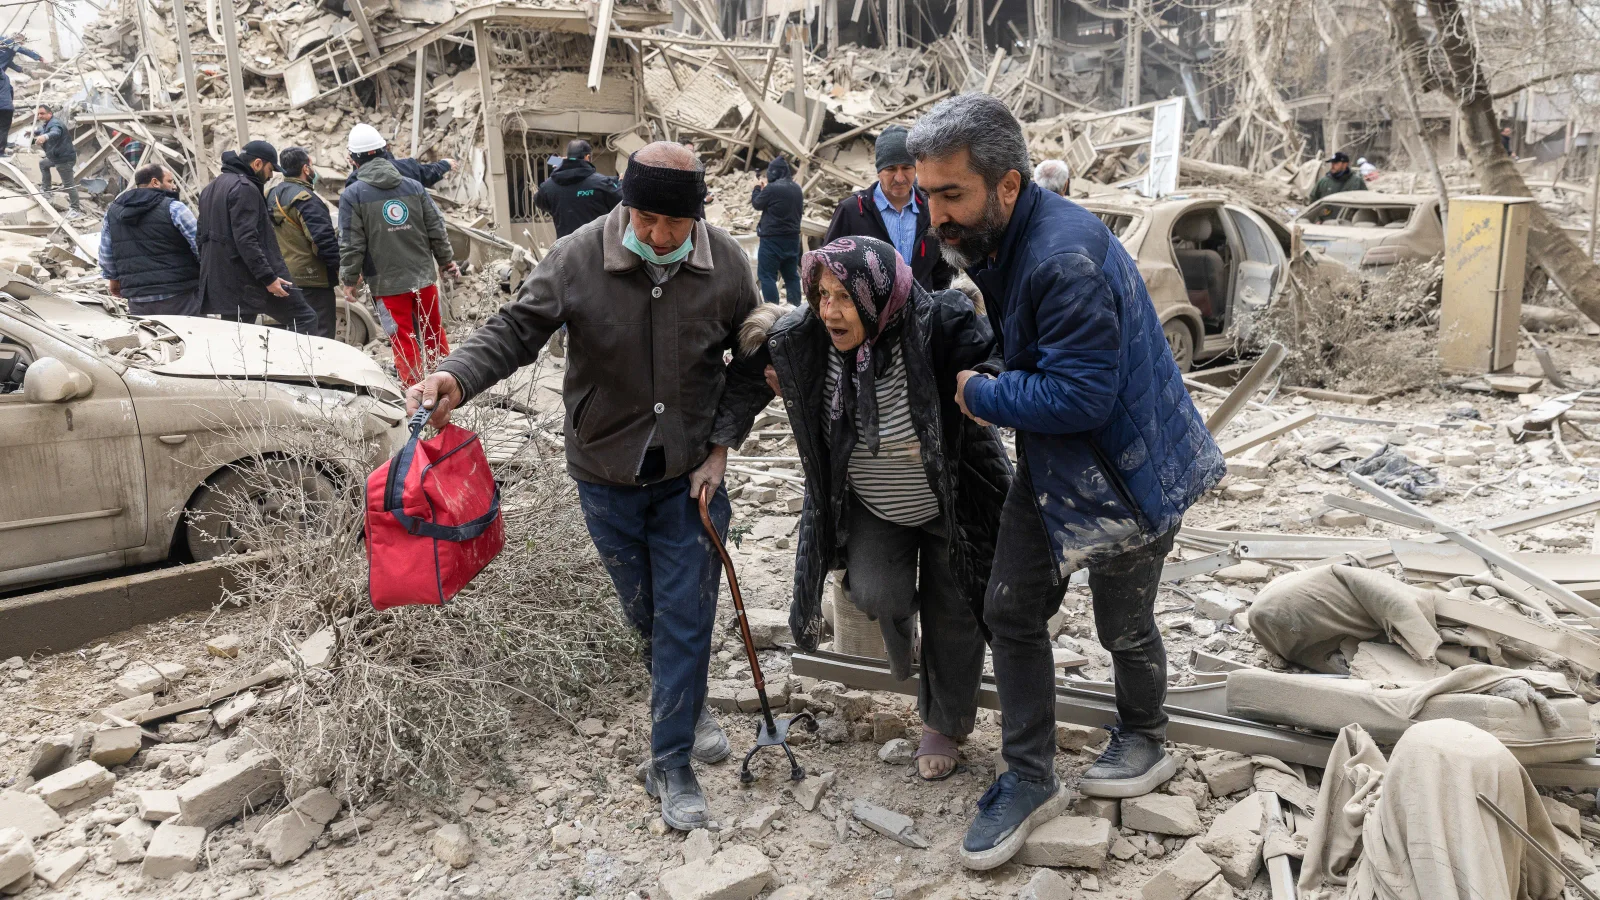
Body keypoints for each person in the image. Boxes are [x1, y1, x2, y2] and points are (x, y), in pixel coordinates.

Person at [406, 142, 766, 832]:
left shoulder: (725, 264)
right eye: (646, 218)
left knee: (686, 615)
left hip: (691, 475)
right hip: (605, 473)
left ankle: (671, 762)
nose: (658, 234)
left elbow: (752, 358)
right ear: (625, 204)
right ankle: (687, 703)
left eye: (675, 223)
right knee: (647, 614)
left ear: (697, 216)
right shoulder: (576, 257)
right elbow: (516, 330)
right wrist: (456, 375)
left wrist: (721, 448)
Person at [906, 93, 1225, 870]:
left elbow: (1082, 395)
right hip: (1058, 466)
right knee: (1010, 608)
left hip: (1128, 473)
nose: (936, 215)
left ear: (1008, 185)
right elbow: (1040, 348)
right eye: (927, 195)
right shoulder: (1003, 239)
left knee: (1124, 624)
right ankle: (1030, 774)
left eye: (952, 195)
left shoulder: (1060, 258)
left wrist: (983, 393)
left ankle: (1145, 737)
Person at [735, 236, 1010, 781]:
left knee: (955, 609)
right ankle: (910, 638)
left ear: (878, 296)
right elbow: (742, 377)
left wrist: (986, 387)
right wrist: (721, 442)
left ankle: (942, 724)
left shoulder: (939, 323)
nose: (829, 310)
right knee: (875, 593)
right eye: (822, 295)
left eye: (844, 297)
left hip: (949, 500)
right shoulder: (806, 338)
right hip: (875, 504)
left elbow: (999, 355)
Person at [339, 123, 458, 386]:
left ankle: (416, 394)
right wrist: (446, 261)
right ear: (385, 150)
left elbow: (351, 243)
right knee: (433, 334)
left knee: (403, 338)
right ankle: (446, 388)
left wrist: (349, 280)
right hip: (423, 277)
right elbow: (436, 228)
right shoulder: (414, 186)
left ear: (353, 159)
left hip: (387, 284)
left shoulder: (352, 195)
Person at [196, 140, 319, 333]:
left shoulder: (210, 189)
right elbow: (247, 240)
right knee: (304, 318)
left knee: (238, 336)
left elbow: (200, 238)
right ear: (258, 163)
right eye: (270, 169)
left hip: (223, 280)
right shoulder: (244, 188)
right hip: (249, 279)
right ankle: (299, 355)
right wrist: (268, 278)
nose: (270, 176)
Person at [823, 125, 953, 292]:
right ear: (878, 170)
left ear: (916, 167)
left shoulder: (932, 210)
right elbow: (827, 270)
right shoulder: (852, 212)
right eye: (890, 169)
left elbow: (944, 275)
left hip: (921, 308)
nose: (899, 178)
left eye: (906, 168)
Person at [99, 163, 201, 316]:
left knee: (148, 332)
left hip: (138, 300)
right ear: (155, 182)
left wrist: (113, 279)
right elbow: (200, 245)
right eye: (170, 181)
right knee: (190, 331)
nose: (174, 186)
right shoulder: (174, 208)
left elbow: (106, 253)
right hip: (180, 295)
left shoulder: (112, 212)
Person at [269, 147, 342, 339]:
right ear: (305, 168)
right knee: (320, 335)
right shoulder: (306, 199)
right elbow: (322, 241)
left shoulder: (271, 195)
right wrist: (341, 268)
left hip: (284, 277)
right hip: (313, 280)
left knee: (296, 334)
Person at [535, 139, 622, 238]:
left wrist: (563, 165)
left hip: (566, 246)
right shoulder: (602, 183)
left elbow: (539, 200)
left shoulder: (549, 187)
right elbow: (621, 200)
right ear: (587, 157)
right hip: (596, 245)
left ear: (567, 157)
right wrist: (622, 183)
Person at [751, 155, 803, 304]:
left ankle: (773, 311)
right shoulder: (796, 188)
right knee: (791, 276)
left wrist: (756, 188)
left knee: (767, 276)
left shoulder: (772, 188)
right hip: (792, 239)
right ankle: (795, 309)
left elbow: (757, 203)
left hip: (772, 239)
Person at [32, 105, 80, 218]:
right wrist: (34, 132)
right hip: (56, 157)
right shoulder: (48, 123)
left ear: (50, 113)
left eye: (42, 113)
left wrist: (45, 137)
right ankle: (46, 190)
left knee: (68, 185)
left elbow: (55, 132)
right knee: (43, 164)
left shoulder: (55, 124)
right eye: (38, 114)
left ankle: (75, 209)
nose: (39, 116)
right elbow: (43, 130)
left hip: (64, 159)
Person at [0, 35, 42, 158]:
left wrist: (21, 69)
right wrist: (39, 57)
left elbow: (9, 63)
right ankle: (1, 150)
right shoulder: (9, 43)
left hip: (5, 101)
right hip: (5, 106)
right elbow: (23, 50)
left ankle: (3, 143)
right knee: (3, 126)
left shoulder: (6, 50)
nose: (21, 45)